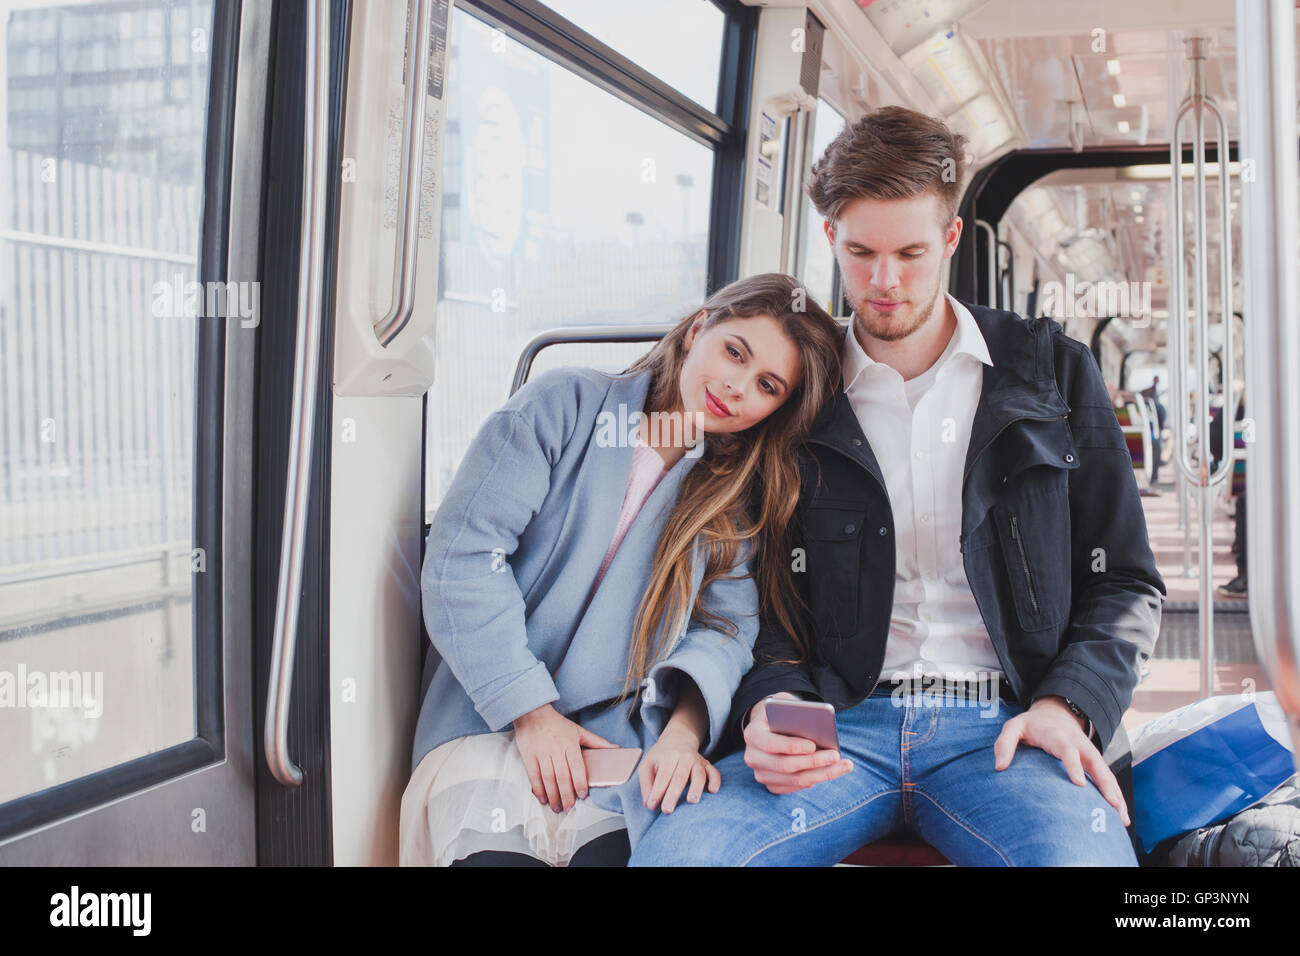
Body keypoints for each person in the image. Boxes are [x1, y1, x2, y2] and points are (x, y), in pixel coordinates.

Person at [629, 106, 1167, 867]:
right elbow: (764, 596)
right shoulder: (796, 394)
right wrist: (772, 704)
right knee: (678, 859)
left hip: (1009, 727)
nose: (884, 283)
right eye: (861, 253)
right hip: (838, 725)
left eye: (911, 253)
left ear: (951, 238)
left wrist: (1067, 703)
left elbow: (1127, 581)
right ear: (830, 241)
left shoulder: (1051, 371)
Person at [399, 273, 843, 866]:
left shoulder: (732, 501)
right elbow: (464, 557)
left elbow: (726, 632)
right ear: (697, 330)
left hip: (624, 743)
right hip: (490, 719)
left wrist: (683, 736)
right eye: (734, 352)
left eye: (766, 385)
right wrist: (531, 713)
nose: (737, 387)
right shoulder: (560, 405)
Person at [1139, 376, 1167, 492]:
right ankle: (1153, 477)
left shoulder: (1134, 407)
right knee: (1158, 443)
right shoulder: (1158, 407)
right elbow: (1161, 425)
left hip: (1135, 445)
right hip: (1150, 440)